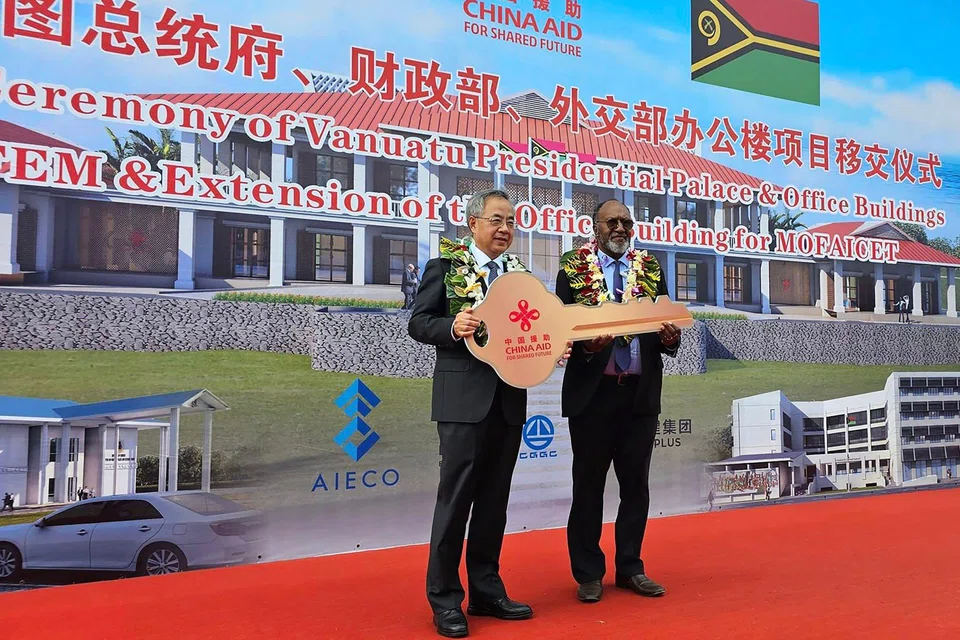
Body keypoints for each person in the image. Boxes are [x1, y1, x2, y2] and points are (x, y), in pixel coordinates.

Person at [409, 188, 571, 638]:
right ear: (473, 224)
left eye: (512, 222)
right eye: (497, 220)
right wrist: (451, 326)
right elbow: (418, 322)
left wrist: (556, 347)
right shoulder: (444, 269)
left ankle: (486, 590)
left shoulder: (521, 277)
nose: (505, 230)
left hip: (508, 401)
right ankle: (444, 600)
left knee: (494, 502)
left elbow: (535, 327)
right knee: (456, 499)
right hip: (463, 402)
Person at [556, 199, 681, 604]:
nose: (621, 228)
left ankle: (631, 567)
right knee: (588, 487)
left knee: (636, 487)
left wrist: (670, 339)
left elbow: (665, 327)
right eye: (612, 221)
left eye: (627, 222)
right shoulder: (572, 270)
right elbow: (562, 331)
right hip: (593, 397)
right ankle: (589, 573)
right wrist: (588, 346)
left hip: (639, 397)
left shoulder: (650, 268)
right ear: (595, 227)